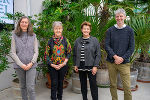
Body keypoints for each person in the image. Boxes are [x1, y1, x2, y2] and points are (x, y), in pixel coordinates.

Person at [105, 8, 135, 100]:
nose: (119, 18)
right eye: (117, 16)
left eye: (121, 16)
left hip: (124, 63)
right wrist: (115, 56)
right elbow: (106, 45)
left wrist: (122, 58)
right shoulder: (110, 30)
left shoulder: (130, 31)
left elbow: (131, 47)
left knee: (127, 87)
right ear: (115, 18)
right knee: (113, 85)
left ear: (125, 17)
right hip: (111, 62)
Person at [10, 16, 39, 100]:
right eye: (22, 22)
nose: (24, 24)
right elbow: (13, 52)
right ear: (19, 23)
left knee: (30, 88)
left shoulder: (33, 36)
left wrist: (31, 63)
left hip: (31, 66)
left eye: (26, 22)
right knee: (23, 87)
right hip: (19, 66)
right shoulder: (14, 36)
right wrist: (21, 65)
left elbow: (36, 52)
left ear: (28, 24)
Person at [73, 21, 101, 100]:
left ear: (90, 30)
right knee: (83, 84)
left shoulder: (95, 40)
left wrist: (95, 66)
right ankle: (84, 98)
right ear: (81, 30)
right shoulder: (77, 40)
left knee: (93, 85)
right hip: (81, 66)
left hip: (91, 66)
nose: (86, 30)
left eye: (87, 29)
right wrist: (75, 64)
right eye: (84, 29)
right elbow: (74, 54)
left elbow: (98, 54)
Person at [45, 21, 71, 100]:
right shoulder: (49, 41)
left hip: (63, 66)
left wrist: (64, 63)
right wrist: (52, 64)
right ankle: (53, 97)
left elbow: (69, 52)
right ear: (53, 30)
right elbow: (46, 55)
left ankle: (60, 97)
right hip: (53, 66)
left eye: (59, 28)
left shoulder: (66, 41)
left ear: (62, 29)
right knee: (54, 83)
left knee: (60, 83)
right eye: (56, 29)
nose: (58, 30)